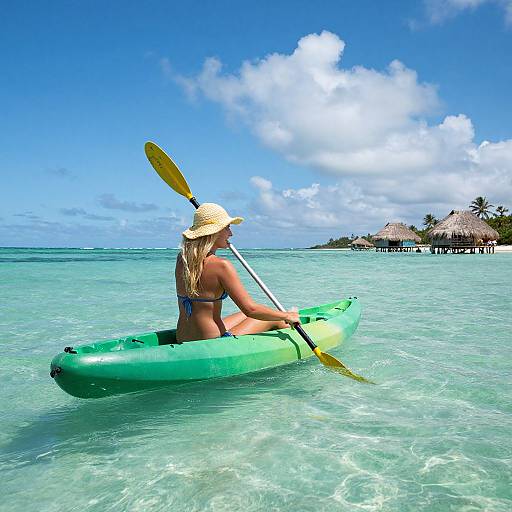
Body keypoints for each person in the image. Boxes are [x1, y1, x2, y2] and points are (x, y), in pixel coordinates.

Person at [175, 203, 300, 342]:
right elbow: (251, 310)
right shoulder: (221, 266)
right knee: (276, 320)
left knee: (243, 315)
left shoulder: (182, 259)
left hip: (182, 337)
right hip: (213, 342)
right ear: (214, 232)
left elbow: (246, 313)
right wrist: (287, 316)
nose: (231, 233)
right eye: (227, 228)